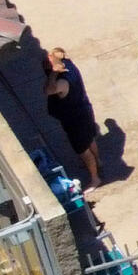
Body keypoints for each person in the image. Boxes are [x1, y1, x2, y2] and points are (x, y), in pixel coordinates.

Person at [44, 48, 102, 187]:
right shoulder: (69, 64)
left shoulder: (62, 81)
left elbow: (48, 90)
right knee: (90, 138)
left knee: (83, 150)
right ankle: (98, 161)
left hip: (75, 120)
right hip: (84, 110)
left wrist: (52, 75)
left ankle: (95, 178)